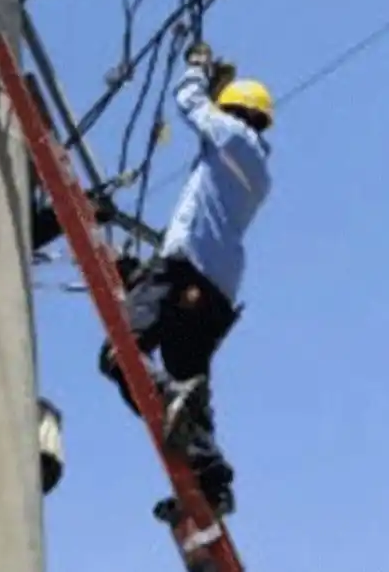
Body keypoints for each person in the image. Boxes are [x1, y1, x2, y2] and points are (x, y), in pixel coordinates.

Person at [98, 41, 274, 517]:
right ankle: (211, 483)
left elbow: (189, 104)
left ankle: (169, 396)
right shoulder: (258, 172)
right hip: (218, 292)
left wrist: (197, 71)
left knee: (120, 353)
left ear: (235, 112)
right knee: (190, 389)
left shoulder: (233, 136)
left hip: (186, 267)